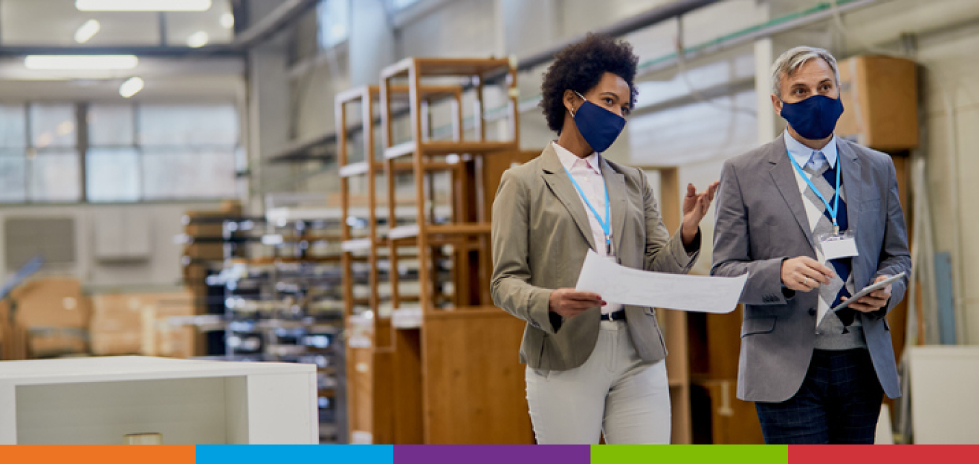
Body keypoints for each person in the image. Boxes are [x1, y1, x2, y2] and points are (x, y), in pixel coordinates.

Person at [490, 33, 719, 445]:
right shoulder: (522, 182)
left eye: (625, 107)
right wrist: (548, 302)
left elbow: (657, 268)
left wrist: (687, 232)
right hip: (564, 350)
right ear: (571, 100)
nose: (618, 115)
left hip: (638, 349)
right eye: (608, 101)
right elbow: (503, 282)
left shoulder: (632, 181)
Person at [710, 46, 911, 444]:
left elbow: (898, 255)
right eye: (800, 91)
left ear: (839, 92)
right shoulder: (742, 172)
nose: (815, 98)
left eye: (824, 87)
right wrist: (778, 272)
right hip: (785, 363)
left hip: (861, 360)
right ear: (777, 102)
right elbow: (723, 272)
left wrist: (889, 286)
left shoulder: (877, 167)